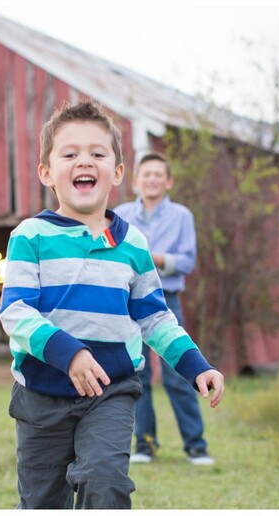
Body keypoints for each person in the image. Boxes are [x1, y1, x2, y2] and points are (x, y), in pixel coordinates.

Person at [0, 99, 224, 509]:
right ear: (47, 173)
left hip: (110, 392)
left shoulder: (133, 243)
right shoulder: (29, 236)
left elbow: (155, 318)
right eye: (70, 154)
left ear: (117, 173)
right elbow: (16, 312)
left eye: (97, 154)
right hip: (41, 395)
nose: (84, 161)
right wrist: (69, 354)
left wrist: (197, 365)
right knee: (42, 502)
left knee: (106, 481)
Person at [114, 152, 213, 465]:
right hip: (128, 301)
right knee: (136, 375)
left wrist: (154, 259)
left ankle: (196, 446)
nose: (152, 180)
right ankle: (144, 444)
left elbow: (186, 260)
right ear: (135, 181)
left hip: (166, 299)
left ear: (168, 182)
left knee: (177, 373)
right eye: (147, 174)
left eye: (159, 175)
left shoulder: (182, 216)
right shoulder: (120, 214)